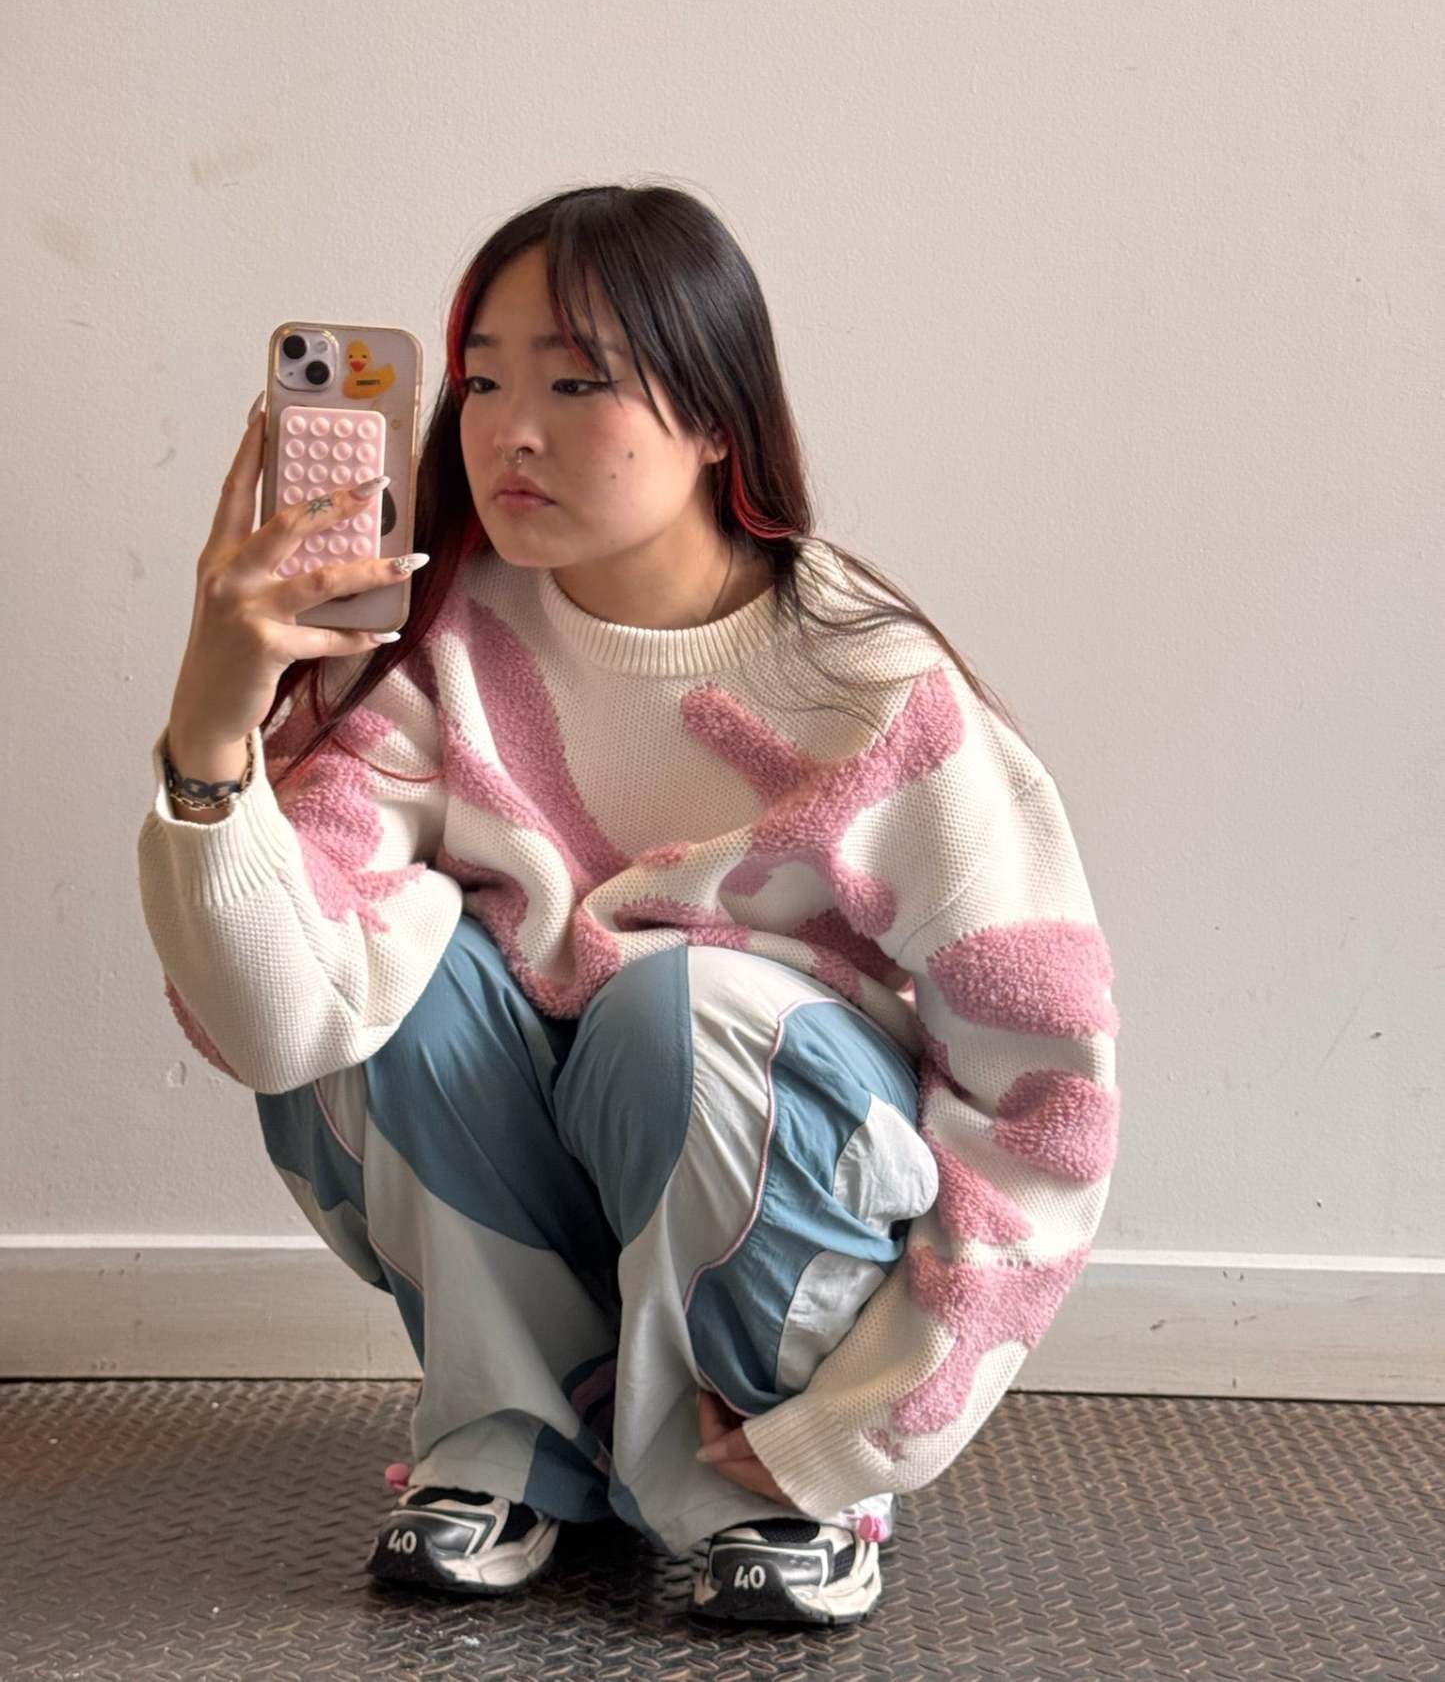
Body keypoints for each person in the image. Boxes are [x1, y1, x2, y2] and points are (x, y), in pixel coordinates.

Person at [136, 183, 1122, 1628]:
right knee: (387, 971)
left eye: (576, 381)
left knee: (686, 1001)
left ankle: (766, 1486)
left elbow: (1047, 1103)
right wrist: (216, 722)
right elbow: (276, 1021)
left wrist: (864, 1425)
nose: (508, 433)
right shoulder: (432, 644)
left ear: (716, 416)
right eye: (482, 381)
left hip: (777, 1214)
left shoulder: (869, 691)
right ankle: (519, 1437)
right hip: (560, 1192)